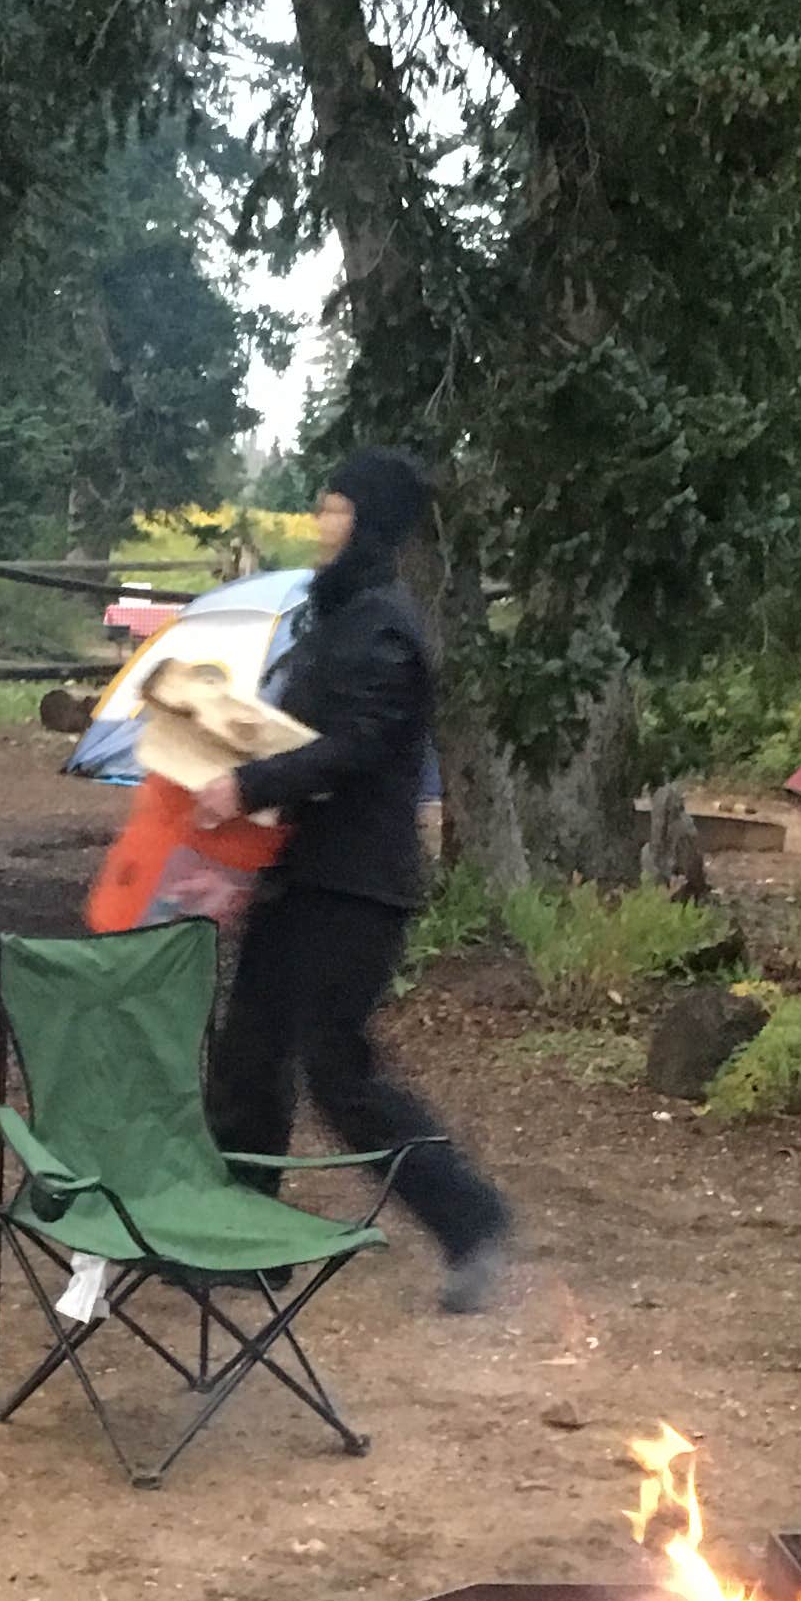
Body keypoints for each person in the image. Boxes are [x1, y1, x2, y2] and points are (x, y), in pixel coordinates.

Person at [189, 447, 516, 1312]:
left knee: (339, 1072)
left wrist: (247, 787)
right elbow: (291, 735)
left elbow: (353, 748)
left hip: (360, 891)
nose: (324, 522)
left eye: (338, 508)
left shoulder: (385, 628)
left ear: (370, 522)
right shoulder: (335, 618)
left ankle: (472, 1221)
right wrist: (239, 857)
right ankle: (246, 1241)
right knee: (248, 1055)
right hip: (304, 875)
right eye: (324, 505)